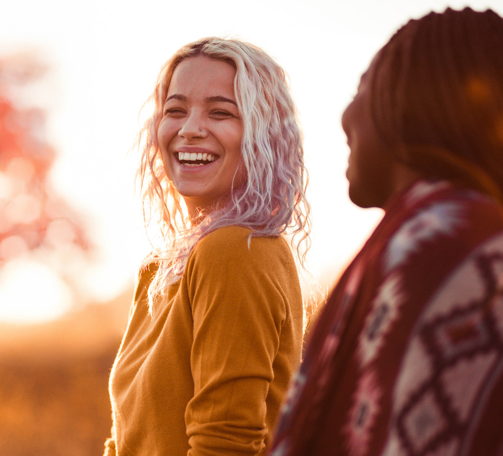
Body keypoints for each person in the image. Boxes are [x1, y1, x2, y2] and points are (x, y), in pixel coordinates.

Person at [269, 7, 503, 456]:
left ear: (410, 99)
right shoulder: (428, 234)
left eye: (364, 87)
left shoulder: (448, 242)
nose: (345, 115)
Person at [104, 37, 311, 455]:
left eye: (220, 113)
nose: (190, 128)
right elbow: (128, 440)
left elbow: (224, 444)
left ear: (264, 135)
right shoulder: (160, 269)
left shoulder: (236, 250)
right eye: (175, 110)